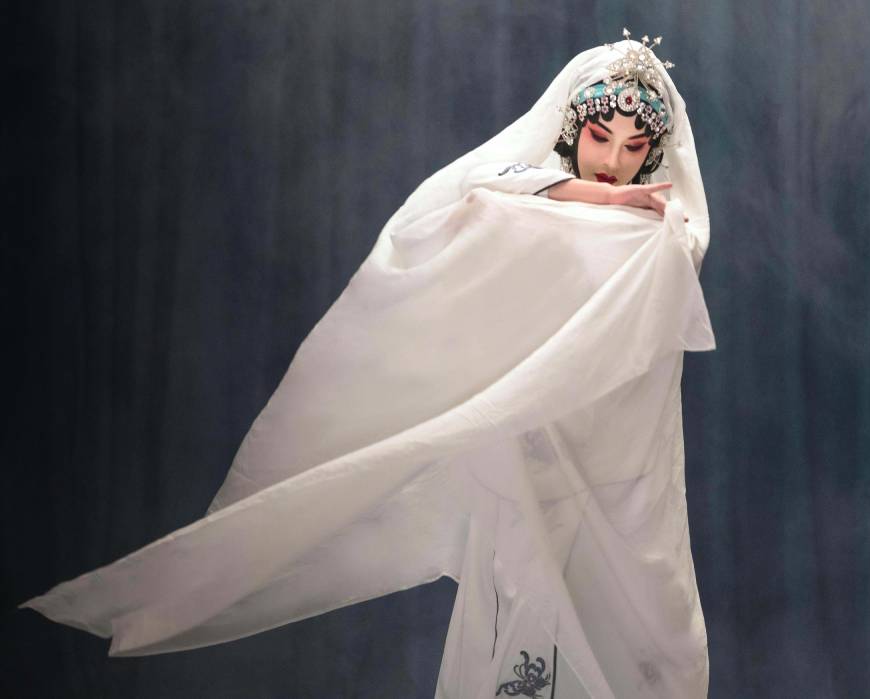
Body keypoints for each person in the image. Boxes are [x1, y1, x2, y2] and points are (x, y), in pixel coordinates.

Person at [21, 30, 715, 699]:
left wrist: (628, 211)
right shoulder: (535, 203)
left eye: (634, 147)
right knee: (520, 614)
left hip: (617, 462)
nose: (614, 159)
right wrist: (604, 196)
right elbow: (475, 188)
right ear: (573, 129)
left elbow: (680, 259)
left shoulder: (658, 231)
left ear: (654, 151)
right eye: (600, 136)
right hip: (536, 450)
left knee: (638, 639)